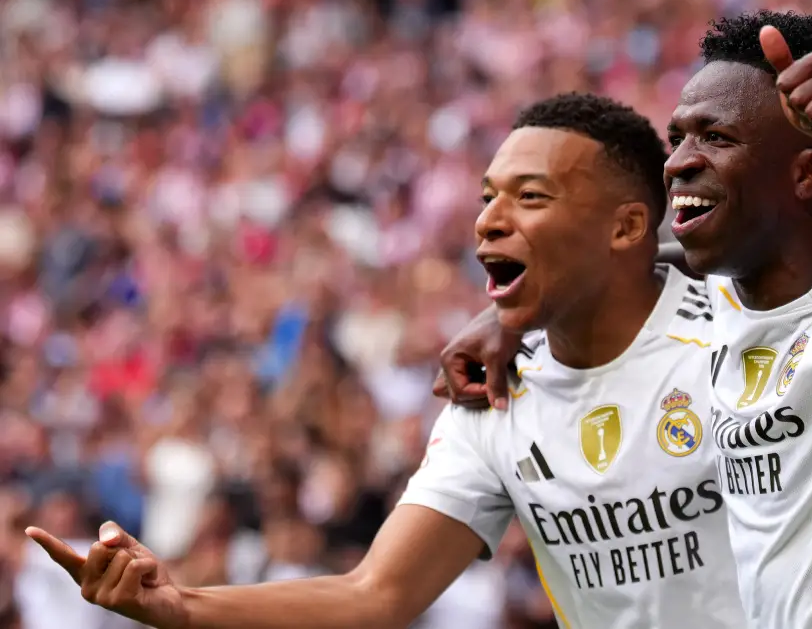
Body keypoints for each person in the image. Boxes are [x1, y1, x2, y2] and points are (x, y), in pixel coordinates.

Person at [23, 93, 748, 629]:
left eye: (532, 197)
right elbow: (376, 593)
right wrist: (180, 604)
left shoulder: (746, 328)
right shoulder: (492, 395)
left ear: (627, 225)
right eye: (488, 196)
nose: (490, 218)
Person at [439, 11, 812, 628]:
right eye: (677, 136)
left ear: (811, 172)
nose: (677, 161)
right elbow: (640, 256)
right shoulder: (727, 294)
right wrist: (521, 309)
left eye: (715, 137)